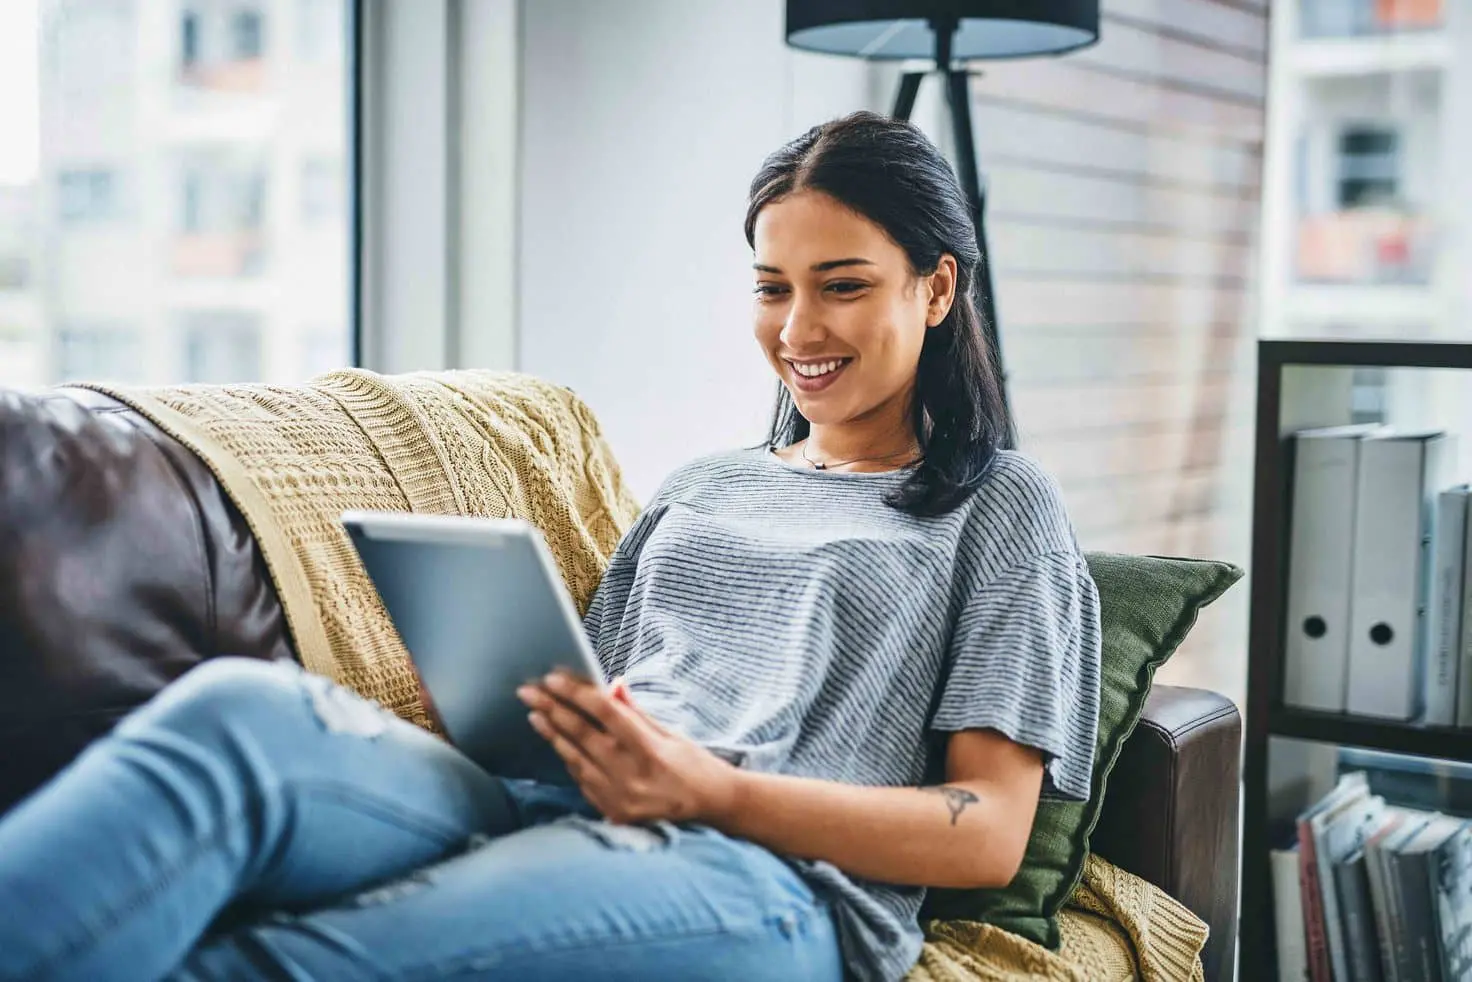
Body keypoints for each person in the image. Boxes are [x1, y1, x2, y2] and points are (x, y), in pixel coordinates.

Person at [0, 111, 1100, 982]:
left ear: (938, 286)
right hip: (549, 801)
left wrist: (705, 791)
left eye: (842, 286)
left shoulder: (999, 505)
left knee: (285, 956)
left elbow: (985, 834)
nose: (797, 331)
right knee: (241, 716)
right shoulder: (704, 484)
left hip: (766, 878)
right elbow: (596, 685)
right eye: (772, 289)